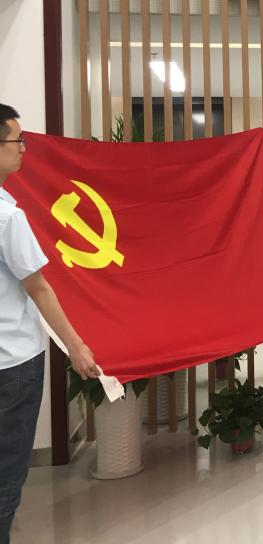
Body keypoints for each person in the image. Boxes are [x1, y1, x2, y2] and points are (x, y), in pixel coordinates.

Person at [0, 104, 100, 542]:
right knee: (6, 475)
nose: (24, 148)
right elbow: (38, 287)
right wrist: (77, 347)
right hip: (12, 363)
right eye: (16, 140)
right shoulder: (8, 217)